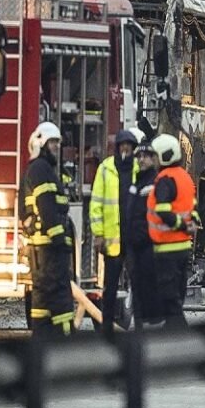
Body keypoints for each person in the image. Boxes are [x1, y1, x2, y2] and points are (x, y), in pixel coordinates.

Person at [19, 121, 75, 338]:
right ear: (40, 144)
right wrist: (59, 239)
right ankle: (62, 340)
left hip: (44, 250)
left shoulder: (39, 169)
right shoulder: (41, 169)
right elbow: (47, 207)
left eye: (57, 143)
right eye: (52, 143)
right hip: (50, 249)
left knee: (43, 298)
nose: (56, 148)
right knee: (59, 296)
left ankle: (42, 338)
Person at [145, 133, 200, 329]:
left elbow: (163, 211)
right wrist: (191, 224)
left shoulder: (164, 179)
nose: (153, 160)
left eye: (155, 156)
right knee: (177, 294)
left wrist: (181, 225)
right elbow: (192, 208)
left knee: (170, 298)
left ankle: (180, 335)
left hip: (167, 247)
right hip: (184, 247)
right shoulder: (185, 177)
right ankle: (173, 334)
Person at [89, 128, 139, 339]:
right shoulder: (106, 168)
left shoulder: (138, 169)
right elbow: (96, 203)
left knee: (138, 286)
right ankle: (106, 330)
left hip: (134, 240)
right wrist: (98, 234)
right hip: (113, 242)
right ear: (118, 147)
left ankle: (140, 329)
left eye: (129, 145)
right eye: (122, 145)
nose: (125, 149)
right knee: (109, 289)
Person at [126, 139, 160, 330]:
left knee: (147, 287)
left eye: (145, 156)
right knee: (136, 286)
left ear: (153, 159)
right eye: (139, 156)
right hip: (134, 245)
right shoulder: (137, 182)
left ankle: (148, 327)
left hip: (148, 245)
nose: (141, 160)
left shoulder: (154, 183)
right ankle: (140, 325)